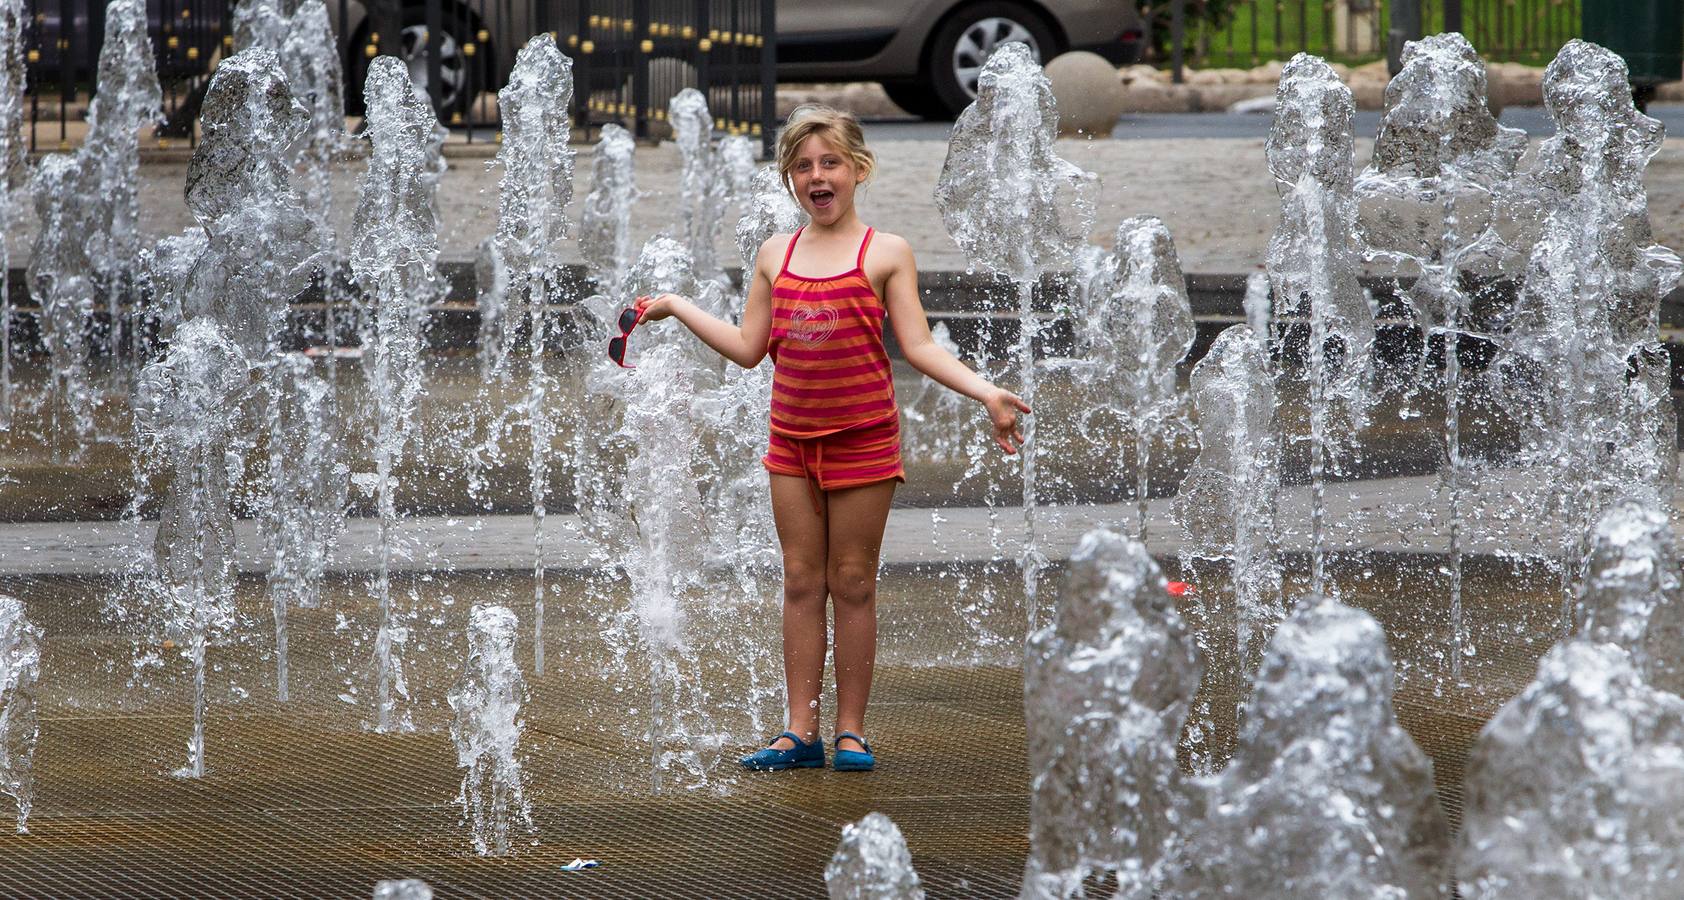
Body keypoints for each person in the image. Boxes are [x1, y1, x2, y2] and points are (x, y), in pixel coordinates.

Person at [633, 105, 1028, 773]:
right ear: (791, 179)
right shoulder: (776, 255)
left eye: (830, 163)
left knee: (852, 582)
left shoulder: (885, 252)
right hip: (791, 444)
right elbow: (748, 348)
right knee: (797, 579)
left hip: (864, 443)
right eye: (804, 166)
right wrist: (677, 307)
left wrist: (986, 391)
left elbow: (921, 346)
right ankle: (798, 730)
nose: (818, 176)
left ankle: (850, 730)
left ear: (858, 171)